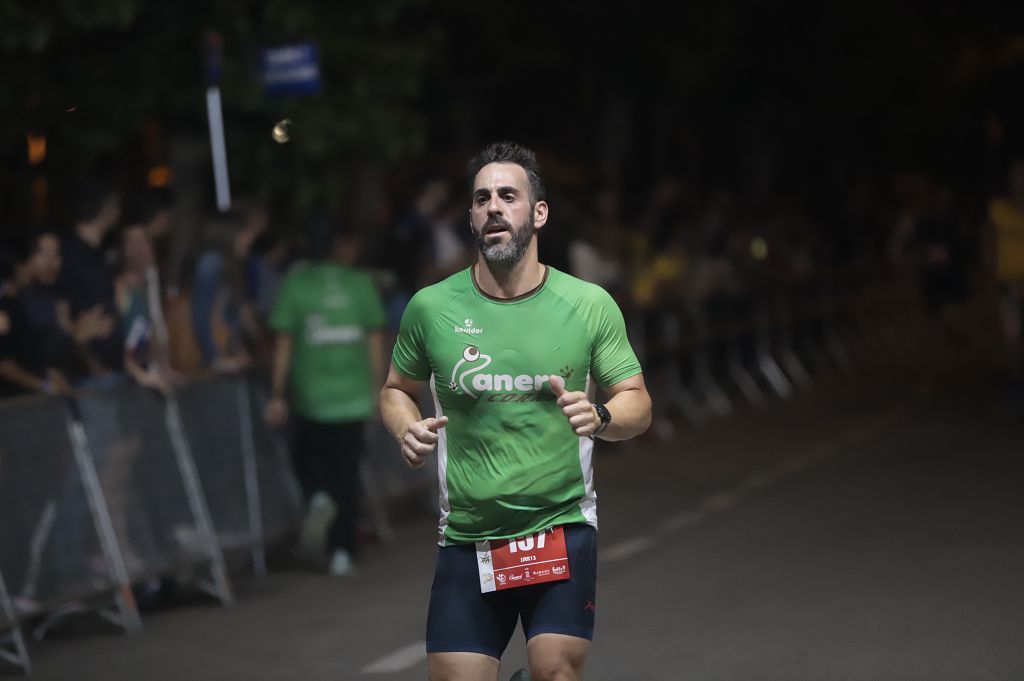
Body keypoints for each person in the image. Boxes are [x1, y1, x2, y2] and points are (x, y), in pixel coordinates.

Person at [380, 141, 652, 681]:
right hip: (467, 534)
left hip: (561, 524)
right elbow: (395, 389)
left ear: (539, 212)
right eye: (482, 199)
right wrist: (405, 427)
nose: (494, 208)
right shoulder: (432, 307)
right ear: (472, 217)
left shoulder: (588, 304)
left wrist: (600, 416)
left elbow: (637, 403)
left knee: (556, 672)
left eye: (508, 195)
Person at [264, 221, 386, 577]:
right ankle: (342, 552)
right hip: (352, 397)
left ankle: (317, 496)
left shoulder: (296, 286)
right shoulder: (361, 284)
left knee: (308, 458)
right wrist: (379, 390)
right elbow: (374, 340)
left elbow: (284, 344)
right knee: (347, 476)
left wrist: (277, 393)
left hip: (311, 396)